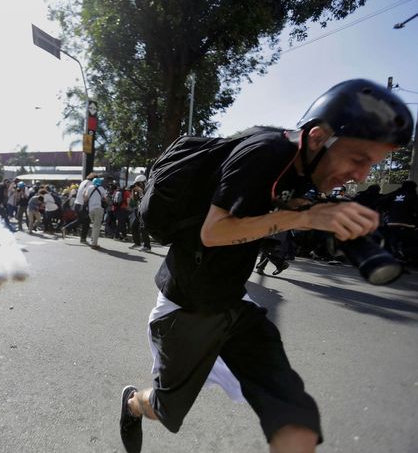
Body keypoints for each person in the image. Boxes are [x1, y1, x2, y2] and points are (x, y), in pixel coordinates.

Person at [119, 79, 414, 453]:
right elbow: (214, 233)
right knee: (165, 408)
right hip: (187, 308)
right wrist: (304, 220)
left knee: (294, 416)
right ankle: (132, 403)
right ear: (319, 137)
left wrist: (324, 216)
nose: (362, 176)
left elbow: (268, 207)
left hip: (233, 306)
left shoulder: (299, 167)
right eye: (359, 159)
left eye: (371, 164)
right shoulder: (265, 152)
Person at [129, 175, 151, 251]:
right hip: (138, 210)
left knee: (143, 227)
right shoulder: (138, 190)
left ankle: (147, 246)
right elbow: (134, 200)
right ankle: (137, 243)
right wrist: (134, 191)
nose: (137, 185)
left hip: (145, 210)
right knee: (134, 225)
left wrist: (141, 190)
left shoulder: (148, 189)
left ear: (143, 182)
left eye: (138, 184)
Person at [84, 177, 107, 250]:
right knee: (97, 227)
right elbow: (105, 199)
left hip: (91, 210)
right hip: (98, 209)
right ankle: (94, 244)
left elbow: (85, 198)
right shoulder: (102, 188)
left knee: (94, 225)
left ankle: (92, 240)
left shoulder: (90, 187)